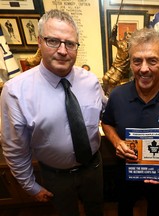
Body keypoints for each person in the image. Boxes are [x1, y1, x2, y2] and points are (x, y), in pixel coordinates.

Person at [1, 9, 107, 216]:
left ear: (76, 47)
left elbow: (106, 111)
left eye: (70, 43)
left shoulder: (91, 81)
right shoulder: (15, 91)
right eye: (53, 41)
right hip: (56, 176)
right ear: (39, 42)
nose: (62, 50)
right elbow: (14, 147)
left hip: (94, 168)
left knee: (97, 211)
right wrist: (30, 185)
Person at [101, 27, 159, 216]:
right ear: (131, 62)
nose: (144, 69)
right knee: (124, 208)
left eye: (152, 60)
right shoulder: (117, 95)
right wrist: (117, 142)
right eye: (137, 61)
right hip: (126, 172)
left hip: (158, 173)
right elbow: (106, 123)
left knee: (155, 209)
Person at [102, 24, 131, 96]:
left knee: (112, 81)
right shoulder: (121, 44)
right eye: (127, 34)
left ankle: (111, 96)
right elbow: (112, 41)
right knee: (105, 78)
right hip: (114, 66)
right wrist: (114, 33)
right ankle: (102, 94)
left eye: (130, 35)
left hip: (121, 69)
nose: (128, 36)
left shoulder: (134, 48)